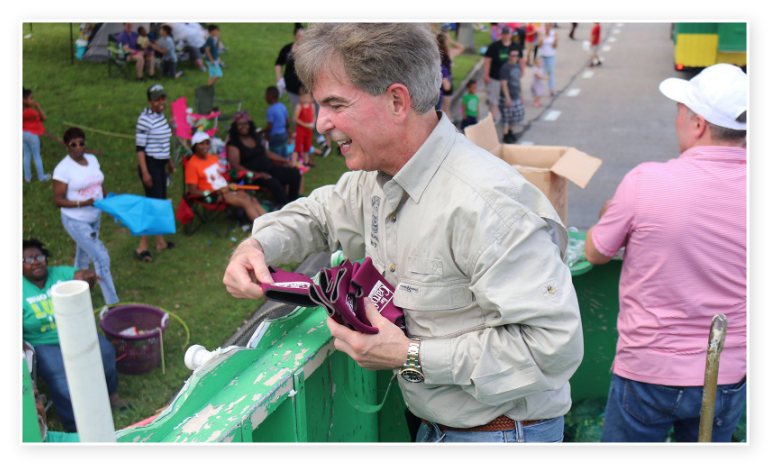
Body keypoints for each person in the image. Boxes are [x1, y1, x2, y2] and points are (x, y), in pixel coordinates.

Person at [223, 23, 582, 444]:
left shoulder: (487, 206)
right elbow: (321, 213)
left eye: (335, 104)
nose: (321, 123)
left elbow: (552, 348)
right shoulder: (380, 174)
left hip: (500, 433)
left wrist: (410, 356)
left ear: (397, 101)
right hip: (439, 425)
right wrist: (257, 243)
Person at [585, 64, 748, 442]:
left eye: (680, 110)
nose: (676, 118)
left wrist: (608, 217)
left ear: (699, 124)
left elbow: (595, 252)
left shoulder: (645, 181)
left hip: (647, 373)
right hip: (725, 374)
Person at [22, 238, 129, 432]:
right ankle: (75, 427)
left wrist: (87, 276)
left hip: (78, 332)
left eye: (39, 256)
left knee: (105, 352)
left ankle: (111, 395)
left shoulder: (60, 274)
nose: (35, 261)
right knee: (62, 383)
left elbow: (80, 275)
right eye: (27, 260)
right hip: (45, 344)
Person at [52, 127, 120, 306]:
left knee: (83, 258)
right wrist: (83, 203)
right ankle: (113, 304)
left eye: (81, 143)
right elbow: (58, 200)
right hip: (76, 220)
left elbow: (99, 183)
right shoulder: (62, 169)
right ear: (66, 146)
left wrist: (108, 201)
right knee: (101, 257)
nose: (78, 147)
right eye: (73, 144)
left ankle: (77, 293)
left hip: (94, 217)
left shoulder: (92, 159)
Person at [135, 84, 177, 262]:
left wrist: (169, 162)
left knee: (159, 204)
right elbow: (140, 149)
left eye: (163, 98)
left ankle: (160, 242)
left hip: (160, 165)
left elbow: (163, 143)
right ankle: (141, 246)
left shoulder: (161, 117)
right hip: (150, 166)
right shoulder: (145, 119)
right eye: (157, 99)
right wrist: (145, 172)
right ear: (150, 101)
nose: (161, 102)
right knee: (152, 207)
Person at [276, 23, 333, 155]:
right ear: (295, 35)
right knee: (298, 110)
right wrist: (279, 78)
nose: (302, 38)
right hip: (293, 89)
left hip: (309, 89)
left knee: (315, 111)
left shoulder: (310, 51)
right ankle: (299, 135)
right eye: (300, 35)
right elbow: (278, 63)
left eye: (304, 35)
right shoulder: (288, 49)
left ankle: (319, 135)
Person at [226, 112, 301, 209]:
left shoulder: (254, 137)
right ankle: (286, 208)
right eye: (240, 124)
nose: (243, 126)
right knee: (274, 182)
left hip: (269, 168)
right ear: (235, 127)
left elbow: (268, 153)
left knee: (294, 174)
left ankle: (292, 203)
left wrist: (285, 160)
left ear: (250, 124)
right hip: (251, 176)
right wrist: (256, 174)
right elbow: (235, 165)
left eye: (246, 123)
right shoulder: (233, 143)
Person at [186, 132, 267, 221]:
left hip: (226, 188)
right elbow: (193, 192)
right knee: (246, 202)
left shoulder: (213, 158)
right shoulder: (191, 165)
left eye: (207, 143)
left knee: (253, 200)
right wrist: (216, 191)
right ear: (195, 146)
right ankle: (262, 229)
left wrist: (229, 184)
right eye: (201, 144)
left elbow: (219, 177)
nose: (205, 147)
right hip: (213, 194)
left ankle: (272, 224)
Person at [483, 27, 524, 124]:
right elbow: (487, 61)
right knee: (494, 100)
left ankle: (507, 120)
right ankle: (493, 120)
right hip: (496, 77)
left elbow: (521, 60)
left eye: (507, 34)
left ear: (511, 35)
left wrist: (522, 71)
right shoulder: (494, 46)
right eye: (504, 34)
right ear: (502, 35)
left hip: (511, 79)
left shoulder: (516, 46)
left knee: (509, 98)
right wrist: (486, 75)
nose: (506, 36)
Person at [22, 88, 51, 182]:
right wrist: (38, 107)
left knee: (26, 155)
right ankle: (41, 177)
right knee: (36, 155)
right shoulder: (31, 112)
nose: (33, 101)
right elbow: (43, 118)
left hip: (22, 134)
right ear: (23, 100)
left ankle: (27, 177)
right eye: (31, 99)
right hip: (32, 135)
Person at [499, 49, 526, 143]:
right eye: (513, 55)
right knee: (506, 118)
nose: (515, 57)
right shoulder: (505, 68)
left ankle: (510, 131)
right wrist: (507, 98)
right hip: (507, 97)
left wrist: (522, 95)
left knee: (517, 116)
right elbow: (504, 84)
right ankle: (505, 135)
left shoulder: (517, 66)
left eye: (516, 55)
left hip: (516, 96)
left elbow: (518, 82)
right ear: (509, 56)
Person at [437, 30, 465, 120]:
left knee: (439, 110)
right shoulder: (449, 54)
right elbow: (461, 48)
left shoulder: (434, 55)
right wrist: (451, 40)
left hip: (437, 84)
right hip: (448, 82)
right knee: (446, 109)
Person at [264, 86, 291, 159]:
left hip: (275, 136)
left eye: (266, 96)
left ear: (270, 96)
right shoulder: (282, 106)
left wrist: (262, 132)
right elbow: (288, 121)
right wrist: (285, 130)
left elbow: (269, 127)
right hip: (283, 134)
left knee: (276, 155)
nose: (265, 98)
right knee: (284, 151)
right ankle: (286, 165)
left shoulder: (270, 110)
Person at [293, 87, 316, 166]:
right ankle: (294, 163)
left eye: (308, 97)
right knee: (298, 146)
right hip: (301, 130)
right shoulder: (299, 106)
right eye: (304, 97)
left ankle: (306, 161)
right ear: (300, 97)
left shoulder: (312, 105)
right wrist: (305, 125)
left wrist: (313, 123)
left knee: (307, 146)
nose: (306, 99)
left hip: (309, 130)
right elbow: (295, 119)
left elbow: (313, 115)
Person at [537, 23, 558, 97]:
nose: (547, 27)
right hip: (542, 56)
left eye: (549, 25)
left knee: (550, 73)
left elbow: (555, 46)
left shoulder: (554, 34)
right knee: (540, 74)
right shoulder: (541, 34)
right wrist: (542, 38)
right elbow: (539, 45)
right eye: (546, 25)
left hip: (551, 56)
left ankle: (551, 90)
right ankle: (538, 91)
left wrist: (555, 40)